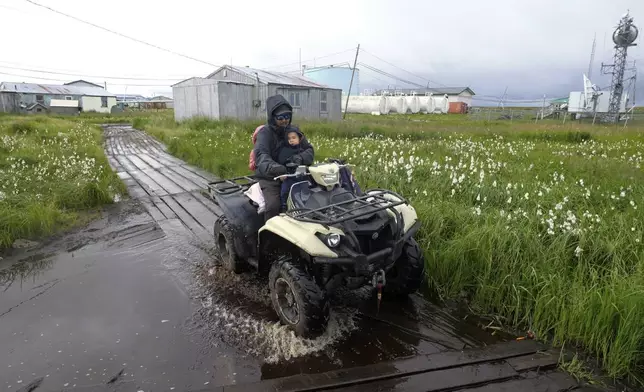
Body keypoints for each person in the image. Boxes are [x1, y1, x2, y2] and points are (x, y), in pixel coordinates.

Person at [254, 94, 314, 221]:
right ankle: (269, 237)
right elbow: (261, 156)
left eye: (287, 116)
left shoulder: (294, 131)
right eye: (280, 117)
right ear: (272, 117)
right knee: (273, 206)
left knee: (316, 197)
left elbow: (309, 150)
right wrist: (278, 169)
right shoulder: (265, 133)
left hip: (296, 174)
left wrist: (300, 158)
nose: (284, 120)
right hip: (272, 177)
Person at [277, 128, 309, 210]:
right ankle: (284, 207)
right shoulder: (284, 150)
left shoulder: (303, 150)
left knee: (306, 191)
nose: (291, 140)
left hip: (302, 177)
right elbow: (280, 163)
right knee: (285, 190)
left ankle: (305, 207)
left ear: (299, 138)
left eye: (294, 138)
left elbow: (307, 162)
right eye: (289, 139)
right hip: (289, 177)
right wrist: (281, 173)